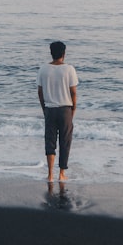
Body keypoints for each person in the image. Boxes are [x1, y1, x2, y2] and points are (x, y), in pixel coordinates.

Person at [37, 40, 78, 191]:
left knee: (50, 141)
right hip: (65, 109)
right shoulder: (69, 69)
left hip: (50, 109)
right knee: (65, 142)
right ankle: (61, 174)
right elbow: (73, 92)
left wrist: (44, 109)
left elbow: (40, 93)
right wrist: (73, 109)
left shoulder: (43, 69)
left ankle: (49, 174)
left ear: (51, 53)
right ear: (64, 54)